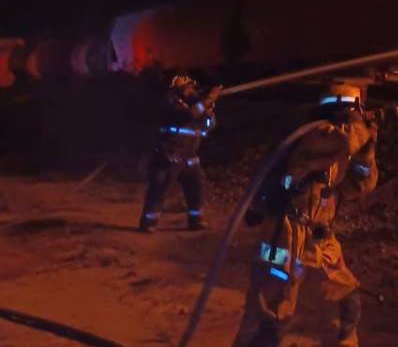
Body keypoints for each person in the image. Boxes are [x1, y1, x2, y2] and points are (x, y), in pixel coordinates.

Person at [233, 81, 379, 347]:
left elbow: (358, 187)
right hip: (284, 238)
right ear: (347, 109)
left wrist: (367, 156)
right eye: (358, 108)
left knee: (345, 304)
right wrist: (361, 128)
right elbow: (347, 140)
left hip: (320, 242)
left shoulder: (343, 146)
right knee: (270, 315)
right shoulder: (316, 136)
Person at [139, 73, 222, 232]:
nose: (191, 91)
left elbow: (209, 126)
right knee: (159, 189)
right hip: (169, 156)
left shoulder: (196, 106)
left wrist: (210, 111)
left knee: (196, 188)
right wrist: (209, 99)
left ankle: (195, 220)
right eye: (187, 88)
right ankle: (148, 223)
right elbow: (189, 115)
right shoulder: (171, 105)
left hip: (190, 158)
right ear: (178, 91)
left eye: (192, 88)